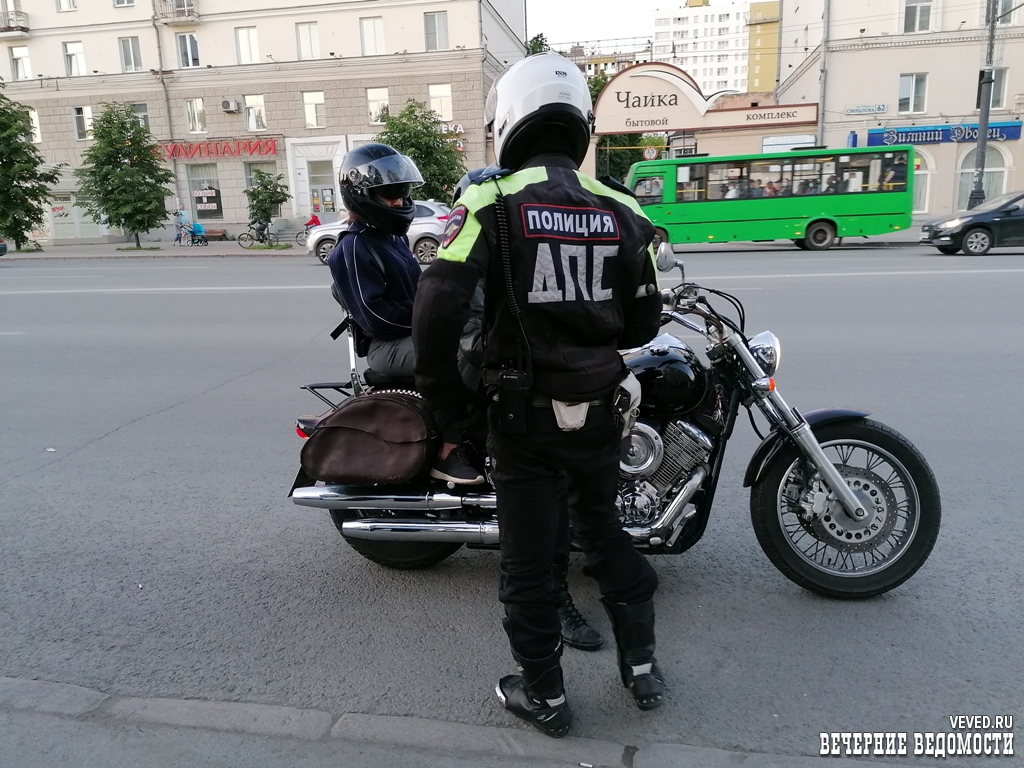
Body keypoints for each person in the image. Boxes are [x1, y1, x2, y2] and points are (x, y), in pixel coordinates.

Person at [412, 51, 665, 738]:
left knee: (528, 564)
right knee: (604, 533)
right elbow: (645, 319)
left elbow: (436, 308)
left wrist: (453, 412)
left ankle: (546, 698)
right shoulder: (622, 206)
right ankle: (640, 666)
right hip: (599, 416)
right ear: (579, 123)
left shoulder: (491, 201)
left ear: (510, 122)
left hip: (522, 421)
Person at [453, 166, 604, 654]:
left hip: (534, 380)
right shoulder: (468, 263)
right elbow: (469, 334)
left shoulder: (526, 251)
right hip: (505, 389)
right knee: (546, 501)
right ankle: (548, 605)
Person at [327, 142, 482, 485]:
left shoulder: (390, 239)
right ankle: (450, 450)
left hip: (414, 334)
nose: (399, 201)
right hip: (388, 345)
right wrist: (434, 319)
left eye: (402, 192)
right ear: (362, 196)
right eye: (389, 194)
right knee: (462, 352)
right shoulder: (353, 247)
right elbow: (374, 316)